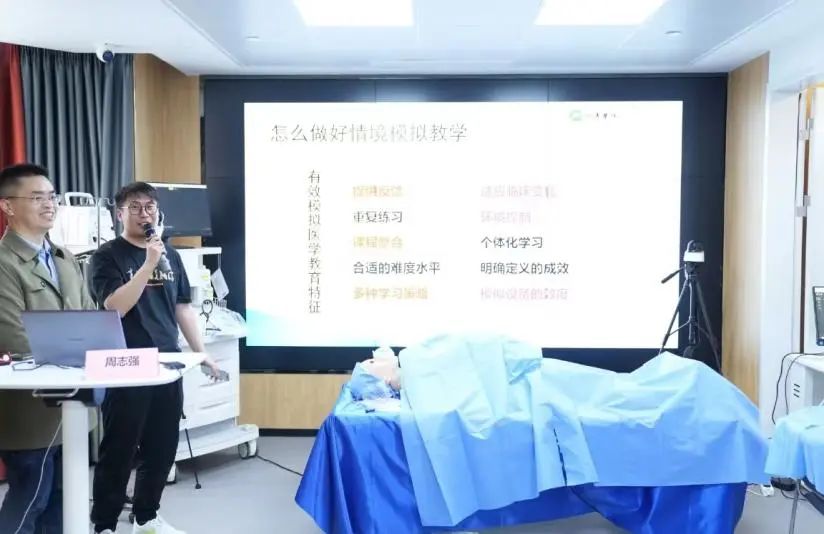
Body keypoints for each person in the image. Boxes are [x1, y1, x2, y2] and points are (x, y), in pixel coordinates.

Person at [89, 182, 222, 534]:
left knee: (162, 448)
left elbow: (182, 308)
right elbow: (114, 307)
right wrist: (148, 264)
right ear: (119, 214)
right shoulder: (107, 256)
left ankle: (146, 517)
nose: (144, 213)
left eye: (150, 207)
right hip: (126, 365)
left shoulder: (171, 255)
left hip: (167, 365)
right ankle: (104, 524)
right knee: (119, 449)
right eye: (135, 207)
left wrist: (201, 354)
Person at [0, 163, 97, 534]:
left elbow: (89, 319)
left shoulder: (63, 257)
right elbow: (13, 337)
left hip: (73, 408)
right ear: (7, 206)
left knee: (63, 503)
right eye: (37, 197)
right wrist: (78, 355)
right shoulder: (4, 263)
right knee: (31, 498)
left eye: (51, 196)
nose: (49, 204)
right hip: (29, 410)